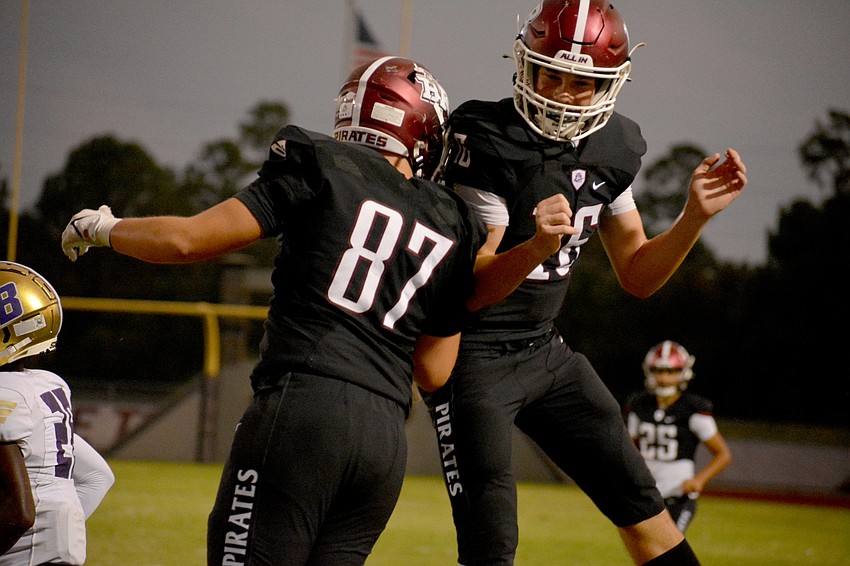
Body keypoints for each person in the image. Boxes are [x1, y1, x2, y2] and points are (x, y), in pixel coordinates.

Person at [60, 56, 486, 565]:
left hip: (304, 410)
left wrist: (103, 228)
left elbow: (185, 241)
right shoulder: (453, 220)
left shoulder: (320, 163)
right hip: (384, 438)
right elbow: (435, 371)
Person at [420, 0, 748, 564]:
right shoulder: (486, 136)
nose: (565, 93)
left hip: (546, 352)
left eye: (582, 80)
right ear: (526, 63)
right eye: (553, 73)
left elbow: (638, 274)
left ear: (610, 83)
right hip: (471, 358)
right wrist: (536, 248)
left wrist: (694, 216)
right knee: (491, 546)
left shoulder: (613, 146)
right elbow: (475, 290)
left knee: (649, 517)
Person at [0, 261, 114, 565]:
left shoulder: (4, 393)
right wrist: (56, 539)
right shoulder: (47, 386)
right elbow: (97, 476)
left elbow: (20, 514)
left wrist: (29, 544)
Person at [624, 341, 732, 533]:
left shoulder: (693, 409)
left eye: (671, 371)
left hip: (678, 495)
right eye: (659, 370)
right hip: (646, 494)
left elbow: (723, 454)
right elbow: (629, 449)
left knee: (669, 548)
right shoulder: (639, 404)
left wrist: (699, 480)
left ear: (683, 372)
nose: (664, 378)